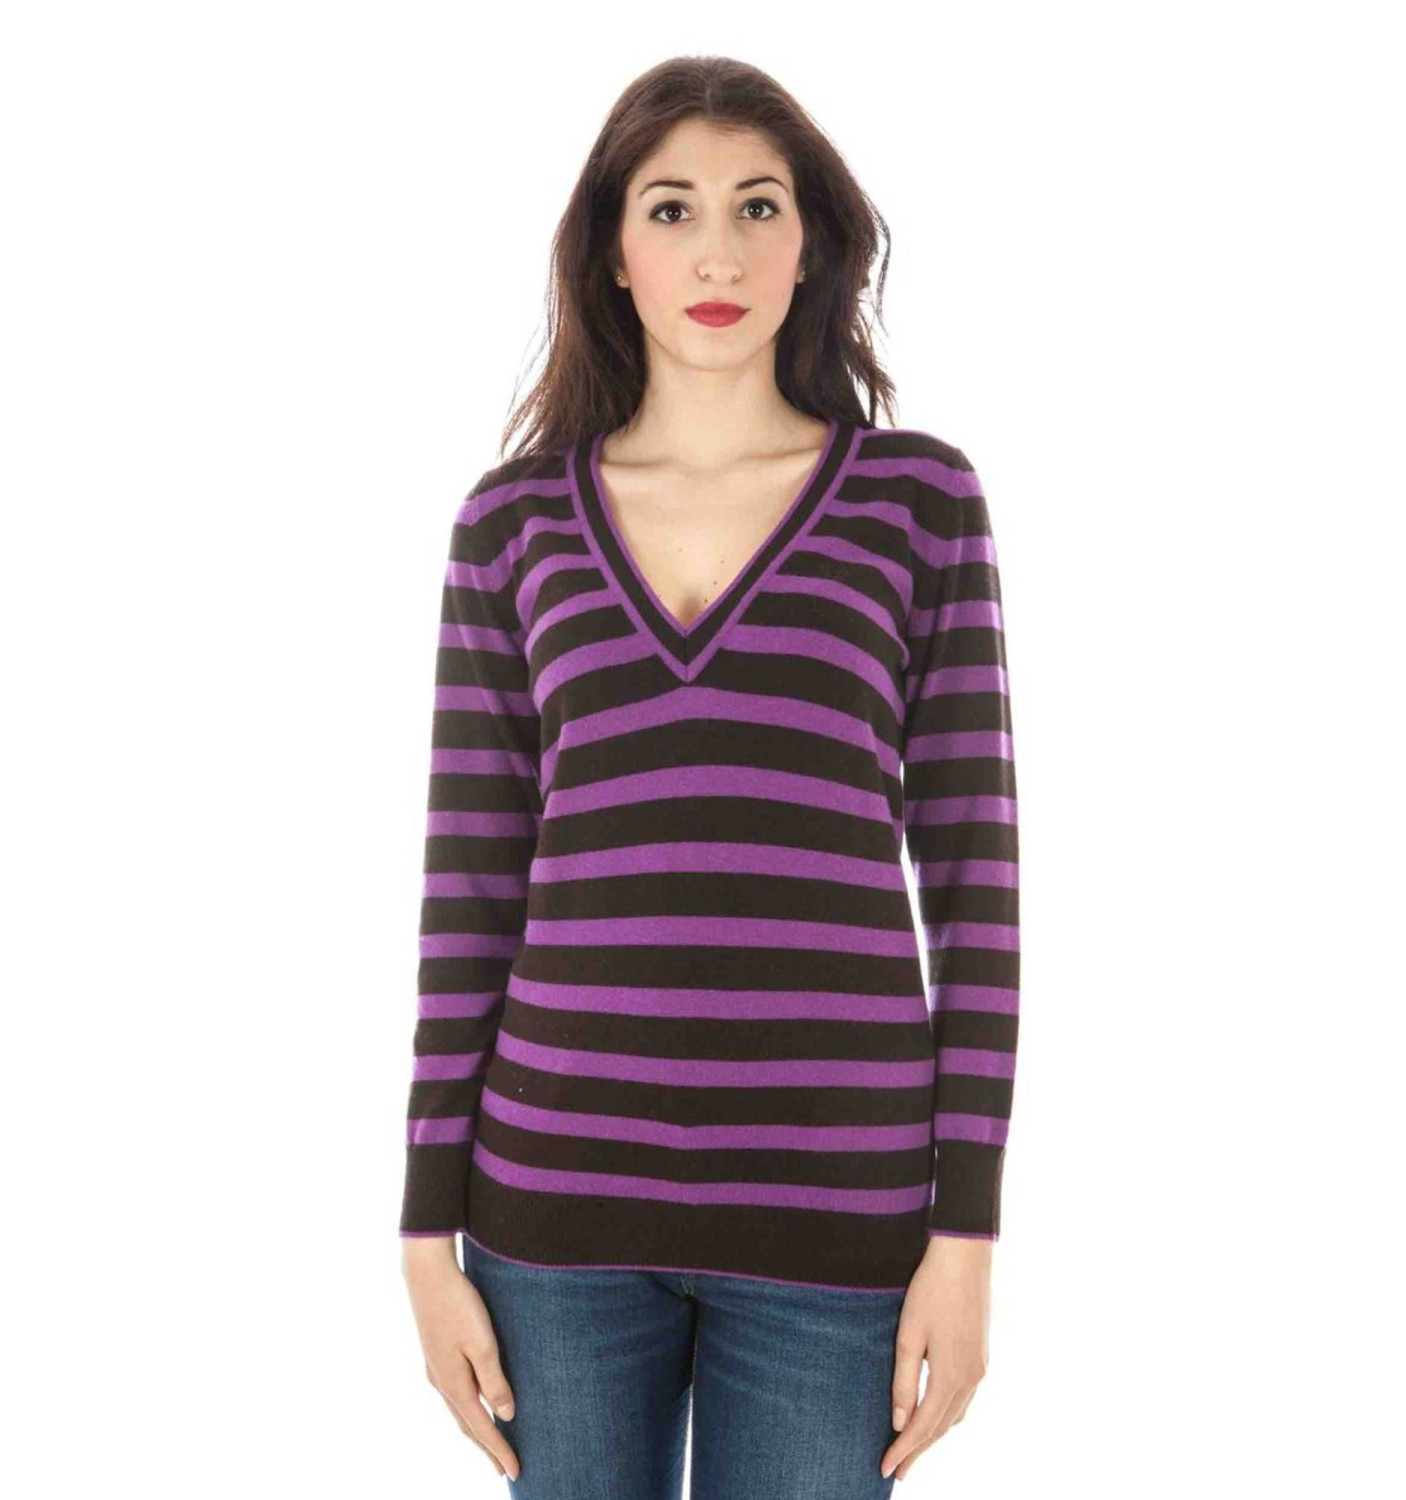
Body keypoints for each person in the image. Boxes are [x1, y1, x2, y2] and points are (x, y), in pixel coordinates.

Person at [398, 55, 1020, 1499]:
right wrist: (426, 1236)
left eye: (758, 206)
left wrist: (968, 1235)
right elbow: (469, 890)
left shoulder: (918, 503)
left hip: (838, 1227)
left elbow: (976, 883)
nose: (719, 254)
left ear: (813, 246)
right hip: (550, 1223)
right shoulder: (512, 527)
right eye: (672, 210)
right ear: (614, 253)